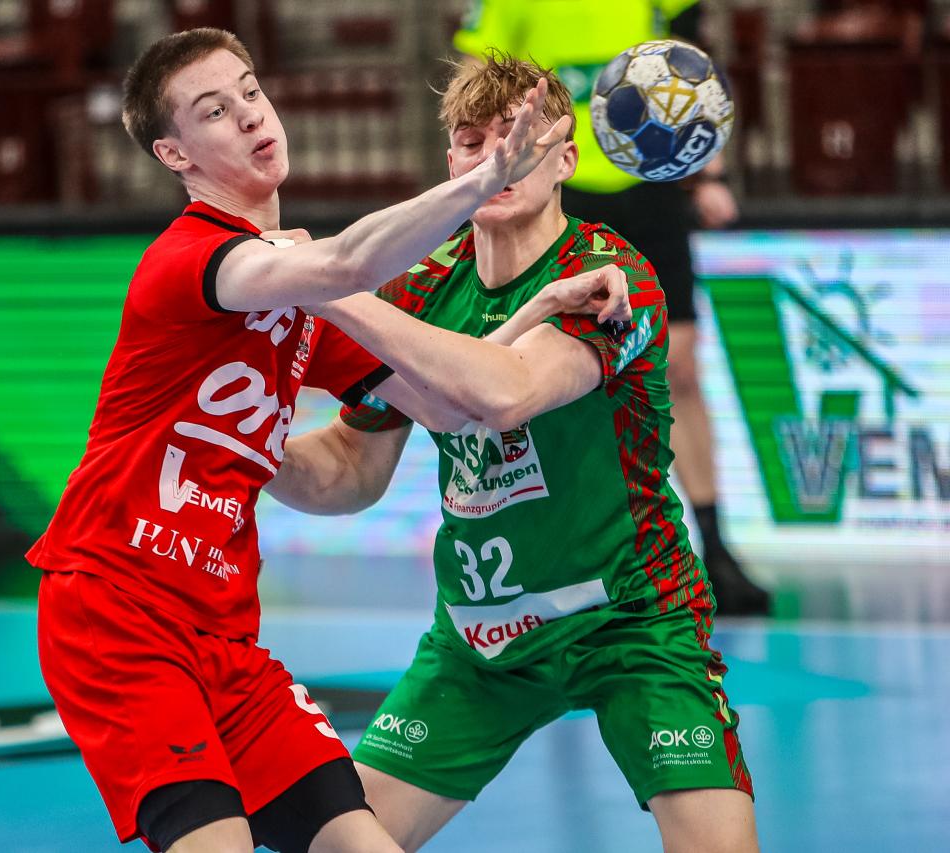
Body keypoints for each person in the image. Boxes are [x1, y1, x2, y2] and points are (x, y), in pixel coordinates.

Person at [27, 28, 629, 853]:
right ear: (174, 153)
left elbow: (447, 407)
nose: (250, 115)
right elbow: (343, 264)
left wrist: (541, 308)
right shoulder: (195, 261)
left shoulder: (307, 298)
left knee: (360, 841)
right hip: (116, 606)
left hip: (223, 629)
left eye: (250, 91)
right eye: (214, 111)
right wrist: (487, 177)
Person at [268, 54, 758, 851]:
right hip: (481, 638)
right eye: (473, 142)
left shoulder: (611, 278)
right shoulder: (420, 291)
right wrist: (245, 446)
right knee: (338, 844)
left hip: (633, 621)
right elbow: (352, 471)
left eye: (519, 137)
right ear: (451, 166)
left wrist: (328, 284)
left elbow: (508, 391)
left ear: (566, 158)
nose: (497, 156)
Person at [454, 0, 772, 615]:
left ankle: (714, 548)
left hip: (650, 184)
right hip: (560, 189)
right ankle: (572, 553)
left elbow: (694, 67)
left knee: (681, 368)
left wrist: (710, 172)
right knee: (553, 380)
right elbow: (475, 79)